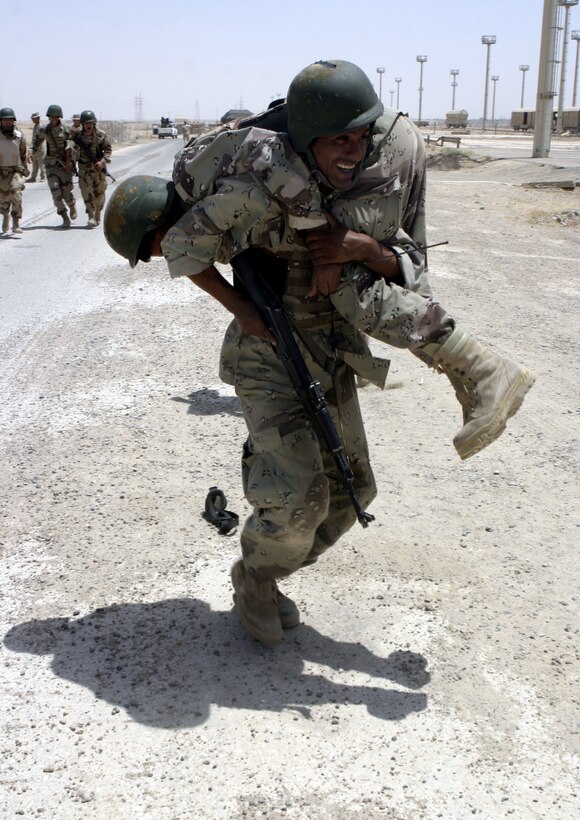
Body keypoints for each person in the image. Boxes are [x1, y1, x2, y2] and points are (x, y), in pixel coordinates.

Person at [103, 59, 534, 646]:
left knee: (352, 492)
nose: (354, 153)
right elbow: (191, 246)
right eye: (341, 141)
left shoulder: (322, 182)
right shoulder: (238, 206)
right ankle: (257, 577)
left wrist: (355, 248)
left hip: (331, 343)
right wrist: (246, 310)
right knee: (298, 498)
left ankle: (265, 571)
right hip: (269, 354)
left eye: (360, 140)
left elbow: (407, 264)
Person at [35, 104, 77, 228]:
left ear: (59, 117)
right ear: (49, 117)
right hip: (50, 165)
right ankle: (64, 217)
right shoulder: (44, 130)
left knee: (66, 192)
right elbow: (36, 140)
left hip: (64, 165)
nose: (54, 119)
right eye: (52, 116)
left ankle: (71, 204)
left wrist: (69, 159)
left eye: (56, 117)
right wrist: (32, 150)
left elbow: (73, 143)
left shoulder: (66, 129)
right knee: (55, 192)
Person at [71, 110, 112, 227]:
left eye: (90, 123)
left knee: (100, 194)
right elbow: (72, 151)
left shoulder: (101, 135)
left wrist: (103, 162)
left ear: (94, 123)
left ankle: (98, 213)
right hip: (84, 168)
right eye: (86, 123)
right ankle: (91, 216)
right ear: (82, 124)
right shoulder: (77, 136)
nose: (88, 125)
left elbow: (108, 149)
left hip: (98, 169)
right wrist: (72, 164)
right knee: (86, 193)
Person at [0, 107, 30, 234]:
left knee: (16, 194)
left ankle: (16, 222)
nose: (8, 122)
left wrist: (25, 169)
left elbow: (23, 154)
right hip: (1, 171)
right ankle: (5, 215)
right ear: (1, 121)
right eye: (5, 120)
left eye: (10, 120)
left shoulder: (19, 136)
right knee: (3, 199)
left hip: (15, 171)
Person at [29, 113, 46, 182]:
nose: (33, 120)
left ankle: (43, 177)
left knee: (41, 163)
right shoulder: (35, 126)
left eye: (34, 118)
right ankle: (33, 177)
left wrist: (37, 145)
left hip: (40, 148)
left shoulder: (41, 127)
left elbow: (42, 138)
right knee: (34, 163)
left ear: (38, 118)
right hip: (34, 148)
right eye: (32, 118)